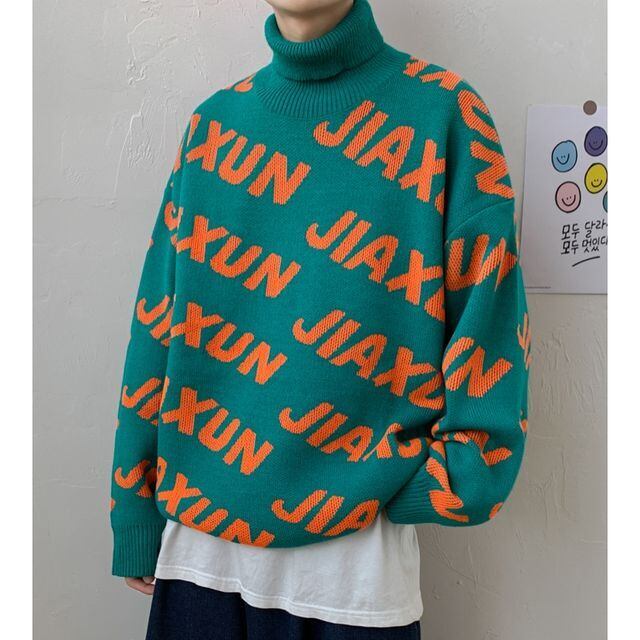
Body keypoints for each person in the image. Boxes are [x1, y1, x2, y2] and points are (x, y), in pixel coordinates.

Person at [109, 0, 530, 638]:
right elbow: (157, 323)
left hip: (353, 572)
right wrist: (134, 506)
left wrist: (444, 480)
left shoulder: (445, 113)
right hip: (199, 558)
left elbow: (489, 326)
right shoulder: (214, 127)